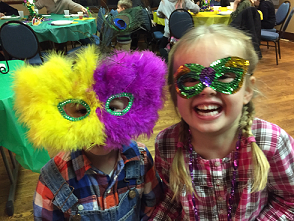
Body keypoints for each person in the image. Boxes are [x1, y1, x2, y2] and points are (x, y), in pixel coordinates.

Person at [151, 24, 294, 220]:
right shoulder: (166, 144)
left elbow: (289, 201)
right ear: (176, 94)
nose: (207, 90)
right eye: (191, 78)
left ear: (248, 91)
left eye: (225, 76)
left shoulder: (272, 142)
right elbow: (172, 200)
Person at [13, 46, 167, 220]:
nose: (98, 128)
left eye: (113, 108)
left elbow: (152, 209)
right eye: (80, 110)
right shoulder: (53, 178)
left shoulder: (141, 159)